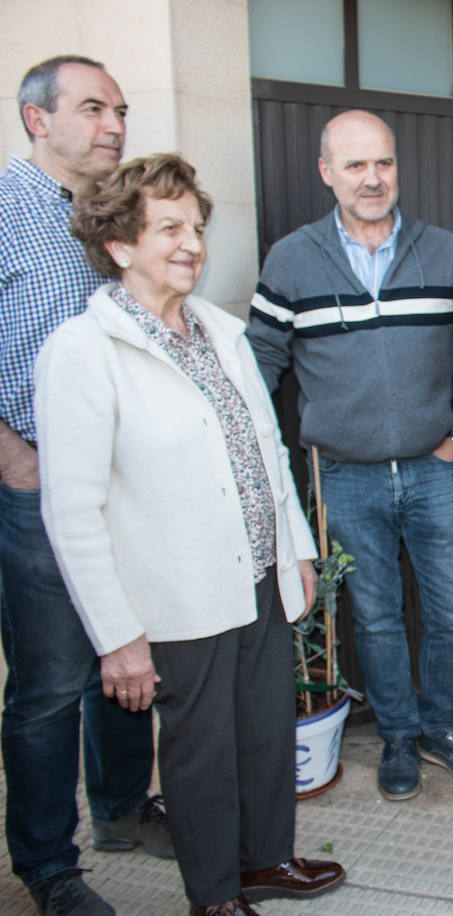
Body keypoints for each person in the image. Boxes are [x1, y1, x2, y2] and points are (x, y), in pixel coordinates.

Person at [35, 153, 345, 916]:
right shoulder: (82, 350)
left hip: (258, 575)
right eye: (168, 227)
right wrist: (117, 638)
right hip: (175, 592)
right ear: (119, 245)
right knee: (202, 751)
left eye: (197, 227)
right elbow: (71, 512)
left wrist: (297, 550)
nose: (191, 243)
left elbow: (268, 452)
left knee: (266, 733)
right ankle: (212, 894)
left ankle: (265, 859)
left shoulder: (221, 331)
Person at [248, 110, 453, 802]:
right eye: (355, 165)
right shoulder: (291, 259)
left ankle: (442, 729)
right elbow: (259, 366)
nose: (372, 178)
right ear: (327, 173)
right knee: (377, 618)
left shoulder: (443, 251)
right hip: (345, 476)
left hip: (436, 466)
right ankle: (396, 736)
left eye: (383, 163)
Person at [0, 54, 170, 916]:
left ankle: (120, 808)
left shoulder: (113, 213)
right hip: (35, 483)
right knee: (48, 684)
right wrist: (9, 454)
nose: (114, 125)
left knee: (124, 653)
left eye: (122, 110)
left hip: (124, 480)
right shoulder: (2, 210)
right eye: (94, 108)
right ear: (38, 118)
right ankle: (47, 866)